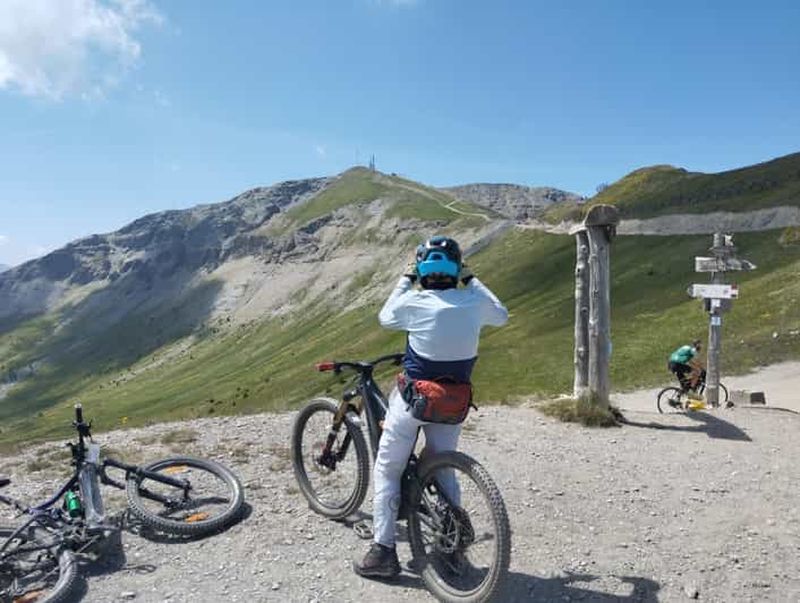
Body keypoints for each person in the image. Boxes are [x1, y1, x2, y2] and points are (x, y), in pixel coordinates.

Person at [354, 235, 508, 579]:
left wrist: (406, 278)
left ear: (422, 272)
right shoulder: (473, 302)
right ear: (456, 271)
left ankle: (383, 552)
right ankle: (450, 546)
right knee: (443, 467)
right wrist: (472, 277)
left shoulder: (414, 302)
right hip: (453, 402)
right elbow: (501, 314)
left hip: (413, 402)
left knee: (387, 469)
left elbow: (385, 316)